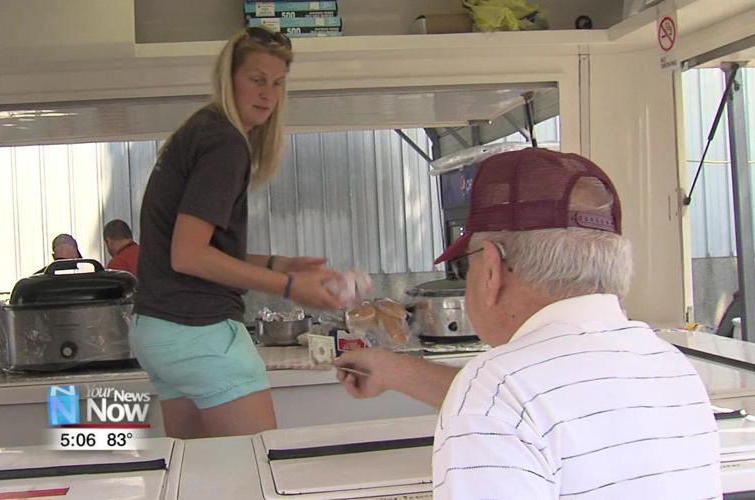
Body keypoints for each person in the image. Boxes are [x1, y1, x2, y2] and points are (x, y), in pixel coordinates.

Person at [335, 148, 721, 498]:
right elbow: (540, 404)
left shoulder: (496, 387)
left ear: (491, 269)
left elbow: (513, 400)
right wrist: (392, 369)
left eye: (465, 266)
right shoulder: (670, 366)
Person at [134, 26, 347, 439]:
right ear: (229, 79)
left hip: (159, 332)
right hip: (199, 332)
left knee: (196, 477)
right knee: (256, 477)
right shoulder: (225, 142)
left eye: (278, 83)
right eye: (256, 80)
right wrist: (288, 286)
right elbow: (189, 256)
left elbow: (194, 248)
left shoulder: (199, 129)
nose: (268, 93)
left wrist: (278, 263)